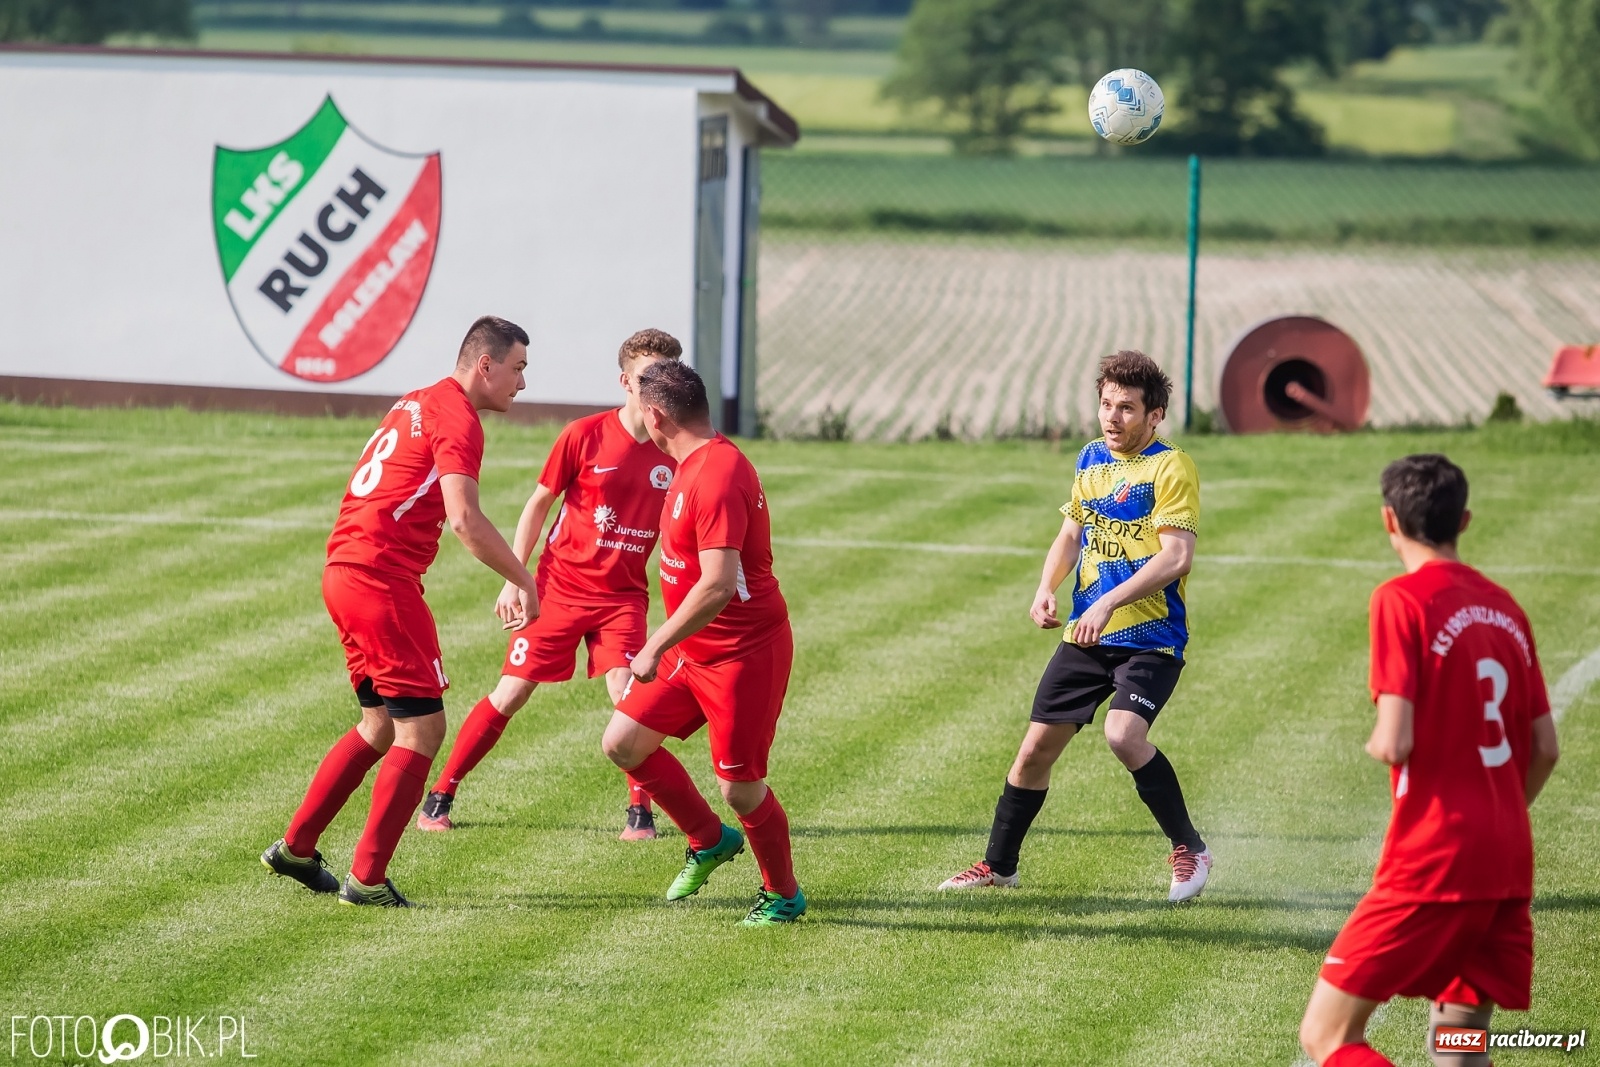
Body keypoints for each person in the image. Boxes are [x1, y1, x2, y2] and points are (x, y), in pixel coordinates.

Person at [260, 315, 541, 907]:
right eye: (517, 368)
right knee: (424, 729)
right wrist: (523, 578)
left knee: (380, 725)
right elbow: (464, 519)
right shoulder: (458, 418)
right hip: (380, 580)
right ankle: (366, 879)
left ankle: (297, 849)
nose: (523, 382)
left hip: (342, 572)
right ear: (484, 365)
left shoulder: (417, 400)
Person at [1299, 454, 1560, 1067]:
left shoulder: (1400, 600)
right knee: (1460, 1045)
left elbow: (1394, 739)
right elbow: (1545, 747)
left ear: (1388, 520)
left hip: (1436, 857)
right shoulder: (1506, 609)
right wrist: (1495, 809)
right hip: (1506, 856)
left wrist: (1377, 746)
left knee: (1328, 1037)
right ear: (1463, 520)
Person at [938, 350, 1212, 902]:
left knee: (1122, 734)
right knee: (1034, 752)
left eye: (1127, 408)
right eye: (1106, 405)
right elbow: (1071, 534)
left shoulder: (1170, 466)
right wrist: (1045, 587)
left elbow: (1176, 557)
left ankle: (1191, 849)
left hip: (1151, 639)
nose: (1112, 418)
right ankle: (999, 867)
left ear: (1155, 416)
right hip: (1088, 635)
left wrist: (1108, 601)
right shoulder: (1092, 458)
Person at [417, 329, 684, 841]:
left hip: (622, 598)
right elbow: (539, 503)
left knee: (627, 693)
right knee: (511, 693)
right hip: (559, 588)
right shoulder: (583, 434)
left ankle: (640, 813)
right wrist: (515, 578)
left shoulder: (676, 449)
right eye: (648, 376)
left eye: (667, 376)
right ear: (626, 380)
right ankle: (441, 794)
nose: (658, 386)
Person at [598, 360, 805, 926]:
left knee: (740, 787)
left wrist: (652, 645)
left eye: (641, 411)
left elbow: (716, 585)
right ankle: (709, 840)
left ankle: (782, 894)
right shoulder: (692, 462)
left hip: (742, 655)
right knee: (623, 743)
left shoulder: (715, 475)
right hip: (694, 650)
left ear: (657, 414)